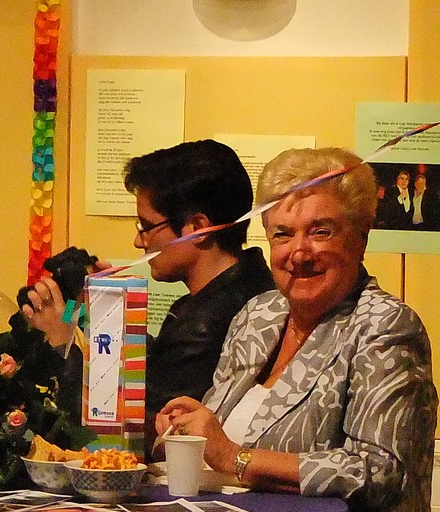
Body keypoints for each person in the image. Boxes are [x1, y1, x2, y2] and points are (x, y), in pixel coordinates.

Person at [156, 147, 438, 512]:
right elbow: (222, 441)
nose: (299, 253)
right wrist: (191, 426)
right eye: (283, 234)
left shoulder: (384, 325)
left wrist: (234, 457)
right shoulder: (258, 314)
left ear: (361, 237)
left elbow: (375, 473)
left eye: (320, 231)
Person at [23, 140, 275, 459]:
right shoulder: (225, 292)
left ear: (197, 228)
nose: (138, 241)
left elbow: (124, 430)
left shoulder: (216, 319)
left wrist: (62, 340)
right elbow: (155, 362)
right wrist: (91, 314)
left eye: (146, 227)